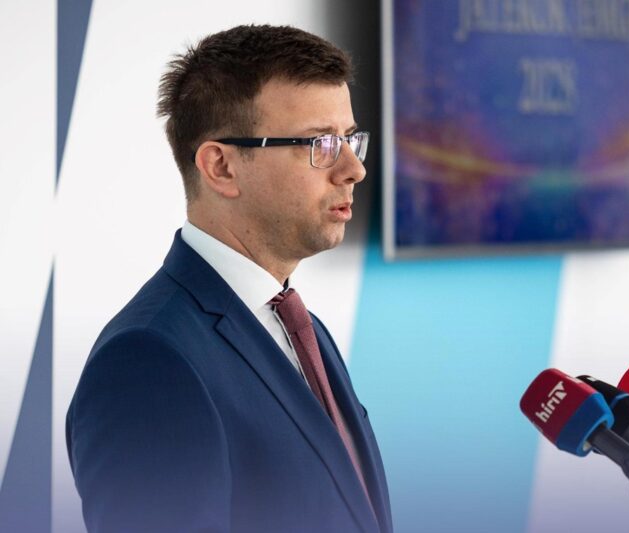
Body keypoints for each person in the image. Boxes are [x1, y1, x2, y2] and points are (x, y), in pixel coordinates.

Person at [66, 24, 392, 533]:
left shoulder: (299, 325)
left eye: (350, 140)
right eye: (321, 143)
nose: (353, 168)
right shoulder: (147, 360)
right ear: (220, 166)